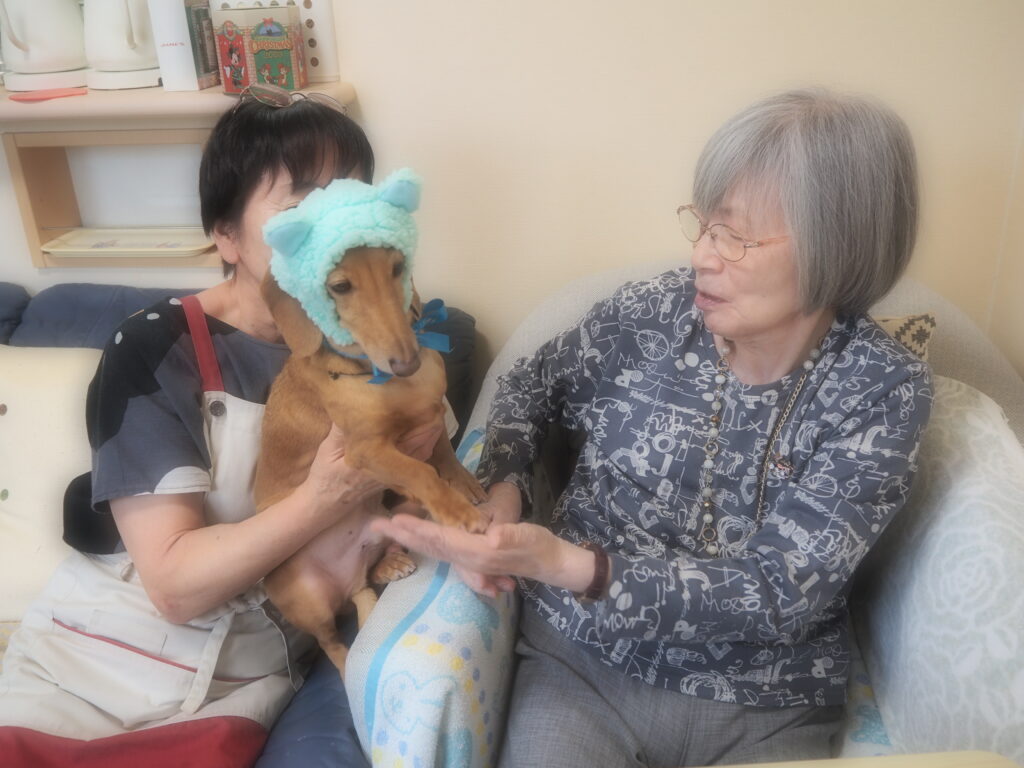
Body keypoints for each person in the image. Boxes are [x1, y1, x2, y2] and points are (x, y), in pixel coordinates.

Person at [373, 88, 933, 767]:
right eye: (704, 225)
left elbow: (783, 590)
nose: (702, 256)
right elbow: (529, 382)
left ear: (836, 246)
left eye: (735, 235)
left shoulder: (881, 389)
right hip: (582, 664)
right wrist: (506, 483)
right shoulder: (651, 316)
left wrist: (570, 566)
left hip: (764, 703)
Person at [0, 85, 438, 767]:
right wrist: (328, 494)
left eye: (347, 199)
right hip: (85, 674)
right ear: (226, 234)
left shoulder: (388, 330)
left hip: (240, 689)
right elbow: (175, 585)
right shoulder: (155, 348)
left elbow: (426, 482)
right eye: (301, 204)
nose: (333, 226)